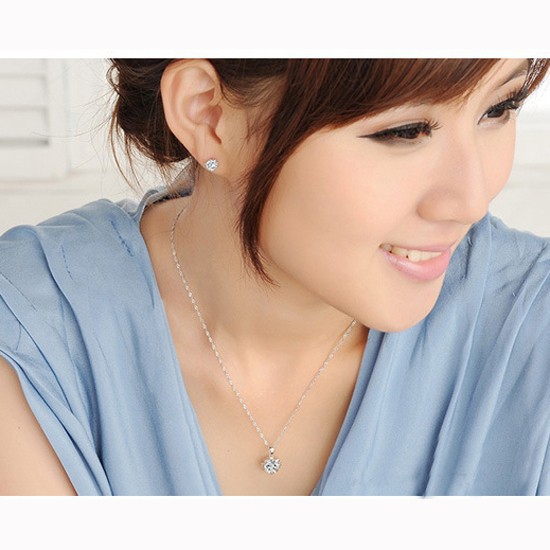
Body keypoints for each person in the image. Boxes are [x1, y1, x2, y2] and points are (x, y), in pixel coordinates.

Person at [0, 58, 549, 496]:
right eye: (404, 131)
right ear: (209, 117)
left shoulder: (532, 332)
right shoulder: (33, 339)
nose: (471, 200)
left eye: (499, 108)